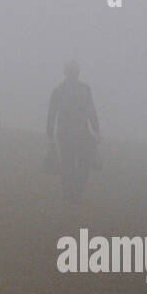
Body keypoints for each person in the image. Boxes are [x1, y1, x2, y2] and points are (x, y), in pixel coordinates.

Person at [46, 60, 99, 204]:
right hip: (82, 133)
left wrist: (50, 135)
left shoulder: (58, 90)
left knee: (67, 164)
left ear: (65, 72)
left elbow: (51, 115)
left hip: (64, 134)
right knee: (84, 164)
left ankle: (68, 194)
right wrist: (96, 130)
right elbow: (91, 112)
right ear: (77, 72)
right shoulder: (84, 89)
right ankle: (76, 192)